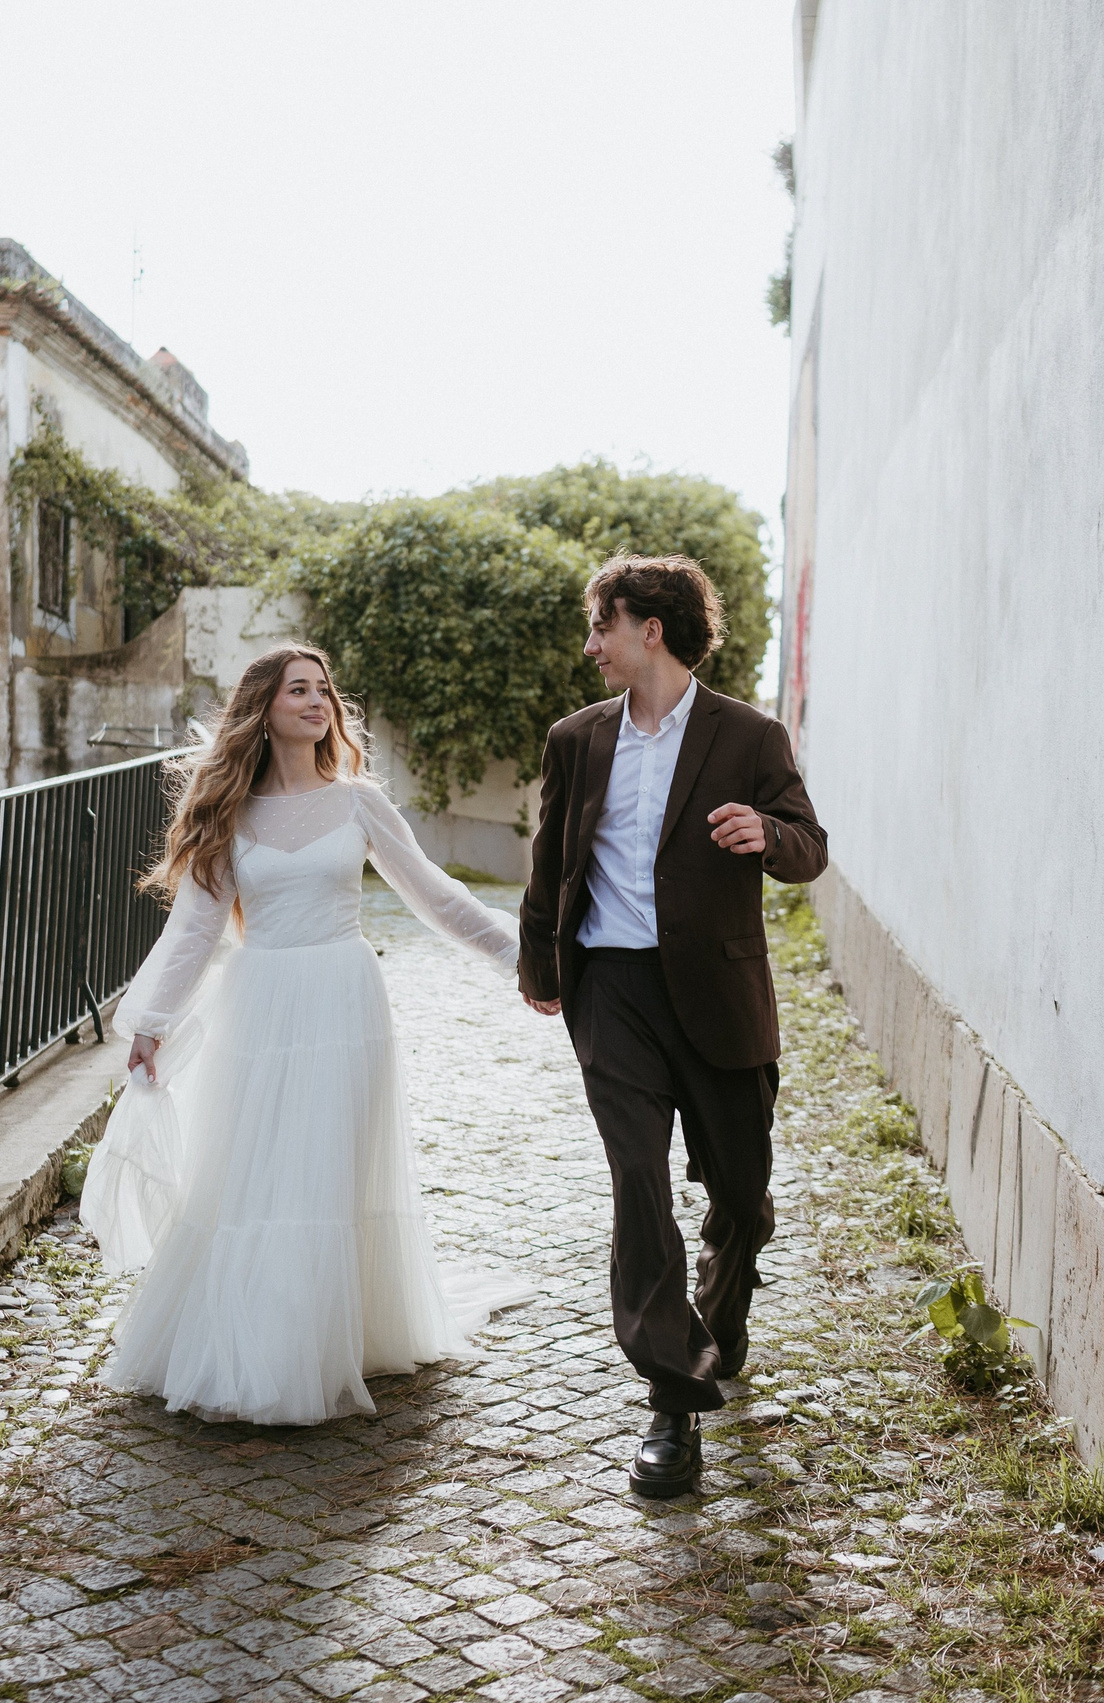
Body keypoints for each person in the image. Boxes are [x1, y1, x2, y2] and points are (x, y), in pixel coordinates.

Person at [85, 644, 529, 1427]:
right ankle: (262, 1336)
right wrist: (150, 1024)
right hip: (258, 1003)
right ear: (265, 708)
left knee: (328, 1165)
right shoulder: (228, 811)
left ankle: (331, 1334)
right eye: (300, 690)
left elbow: (436, 897)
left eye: (324, 689)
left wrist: (522, 960)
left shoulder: (358, 803)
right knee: (258, 1169)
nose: (318, 701)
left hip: (343, 998)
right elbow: (193, 929)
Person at [519, 553, 828, 1498]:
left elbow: (809, 847)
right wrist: (543, 966)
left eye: (600, 625)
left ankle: (723, 1308)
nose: (591, 645)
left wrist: (763, 836)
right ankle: (672, 1397)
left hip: (720, 998)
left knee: (740, 1192)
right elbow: (550, 862)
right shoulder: (576, 739)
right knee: (638, 1185)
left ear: (648, 626)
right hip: (614, 992)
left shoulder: (750, 735)